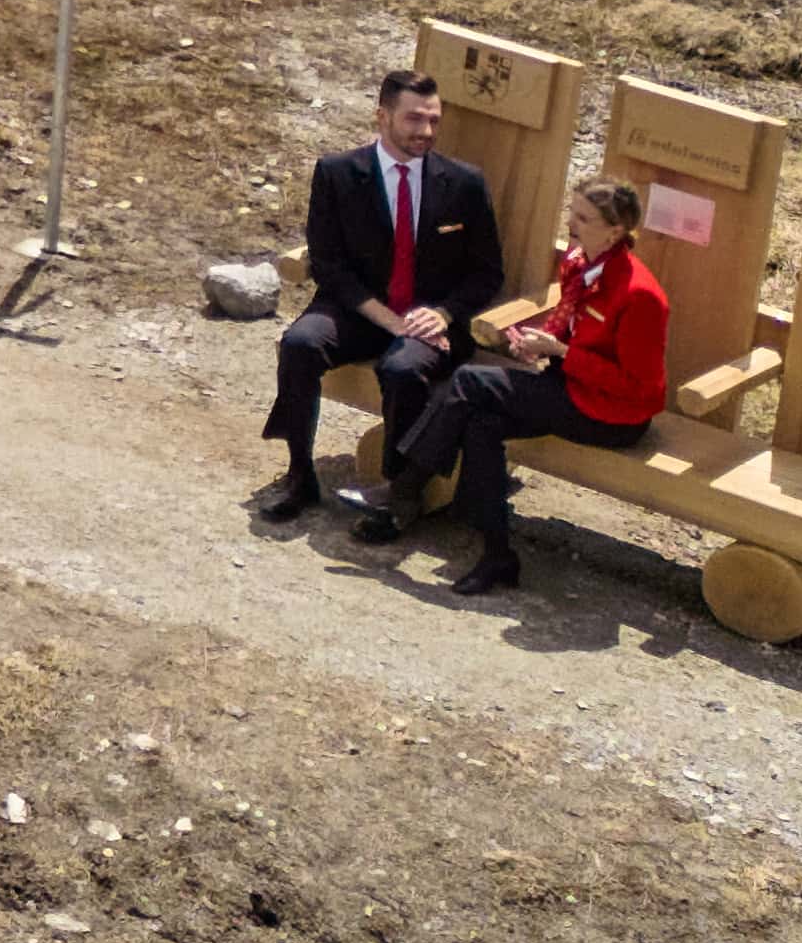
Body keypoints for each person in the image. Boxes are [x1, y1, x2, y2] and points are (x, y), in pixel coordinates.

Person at [384, 172, 676, 591]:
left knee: (469, 381)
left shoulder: (640, 295)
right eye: (572, 212)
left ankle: (402, 490)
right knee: (481, 424)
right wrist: (540, 343)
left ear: (615, 231)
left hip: (612, 415)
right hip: (567, 387)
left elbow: (642, 390)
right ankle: (497, 555)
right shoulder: (580, 262)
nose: (571, 224)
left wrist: (562, 354)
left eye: (584, 218)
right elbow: (569, 325)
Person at [262, 63, 506, 523]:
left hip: (427, 321)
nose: (427, 130)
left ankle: (399, 494)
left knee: (402, 368)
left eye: (434, 119)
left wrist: (446, 314)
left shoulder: (465, 184)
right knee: (300, 344)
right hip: (358, 310)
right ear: (383, 117)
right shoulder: (336, 174)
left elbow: (487, 273)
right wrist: (387, 320)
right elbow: (329, 266)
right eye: (415, 118)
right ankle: (299, 474)